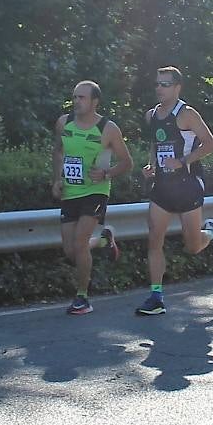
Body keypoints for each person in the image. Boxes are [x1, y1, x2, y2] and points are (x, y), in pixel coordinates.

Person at [135, 67, 213, 316]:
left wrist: (184, 160)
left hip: (187, 186)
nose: (159, 88)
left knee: (193, 246)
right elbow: (155, 144)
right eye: (157, 84)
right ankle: (156, 296)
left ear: (177, 88)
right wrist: (151, 166)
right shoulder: (151, 115)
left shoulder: (187, 114)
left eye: (165, 84)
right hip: (162, 188)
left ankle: (209, 233)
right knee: (154, 238)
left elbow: (210, 144)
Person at [52, 80, 133, 315]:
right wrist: (56, 180)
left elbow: (127, 163)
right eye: (75, 97)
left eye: (82, 98)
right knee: (70, 250)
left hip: (95, 191)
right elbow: (58, 151)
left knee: (79, 243)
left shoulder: (108, 129)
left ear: (94, 101)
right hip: (71, 191)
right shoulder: (63, 123)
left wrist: (106, 173)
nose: (76, 101)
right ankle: (104, 240)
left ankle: (82, 297)